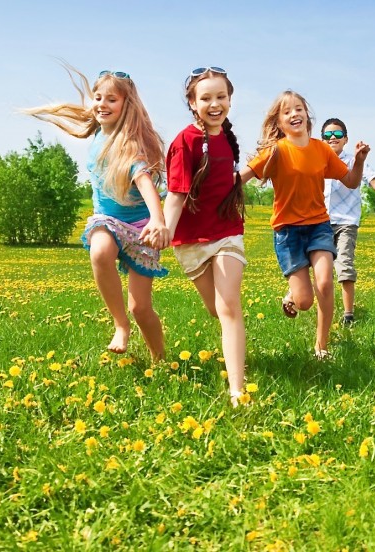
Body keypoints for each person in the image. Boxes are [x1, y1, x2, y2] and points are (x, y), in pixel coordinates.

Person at [24, 65, 170, 361]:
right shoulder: (98, 133)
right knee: (100, 251)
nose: (102, 104)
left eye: (111, 99)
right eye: (98, 97)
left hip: (142, 227)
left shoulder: (131, 145)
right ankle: (120, 326)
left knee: (141, 308)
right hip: (107, 220)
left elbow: (144, 181)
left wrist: (158, 219)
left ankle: (160, 360)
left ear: (126, 105)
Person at [236, 91, 369, 359]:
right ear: (279, 122)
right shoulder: (275, 151)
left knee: (325, 282)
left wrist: (360, 160)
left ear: (306, 114)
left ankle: (321, 346)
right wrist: (207, 193)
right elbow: (241, 177)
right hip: (288, 232)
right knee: (305, 301)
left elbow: (352, 182)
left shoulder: (321, 149)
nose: (294, 114)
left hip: (319, 225)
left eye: (298, 109)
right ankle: (292, 297)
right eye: (286, 112)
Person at [163, 67, 247, 405]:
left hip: (227, 232)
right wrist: (164, 234)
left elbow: (229, 181)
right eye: (206, 98)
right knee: (216, 310)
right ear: (192, 102)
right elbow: (177, 194)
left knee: (228, 307)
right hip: (190, 240)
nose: (215, 104)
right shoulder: (185, 141)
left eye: (221, 97)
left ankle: (238, 391)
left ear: (229, 99)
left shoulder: (227, 137)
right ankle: (234, 351)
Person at [321, 117, 375, 325]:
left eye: (338, 134)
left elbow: (373, 180)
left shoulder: (354, 160)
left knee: (344, 264)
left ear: (345, 139)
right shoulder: (317, 160)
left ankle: (348, 316)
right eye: (328, 135)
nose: (333, 138)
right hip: (320, 221)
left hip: (346, 222)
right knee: (318, 267)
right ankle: (322, 311)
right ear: (322, 140)